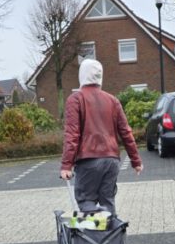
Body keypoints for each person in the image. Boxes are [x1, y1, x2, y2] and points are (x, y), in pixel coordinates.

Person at [60, 58, 143, 214]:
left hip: (88, 161)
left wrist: (66, 166)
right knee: (107, 203)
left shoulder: (76, 99)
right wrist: (136, 161)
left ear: (82, 75)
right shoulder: (113, 100)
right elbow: (126, 131)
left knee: (86, 201)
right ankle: (111, 237)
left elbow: (72, 134)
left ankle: (93, 237)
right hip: (111, 161)